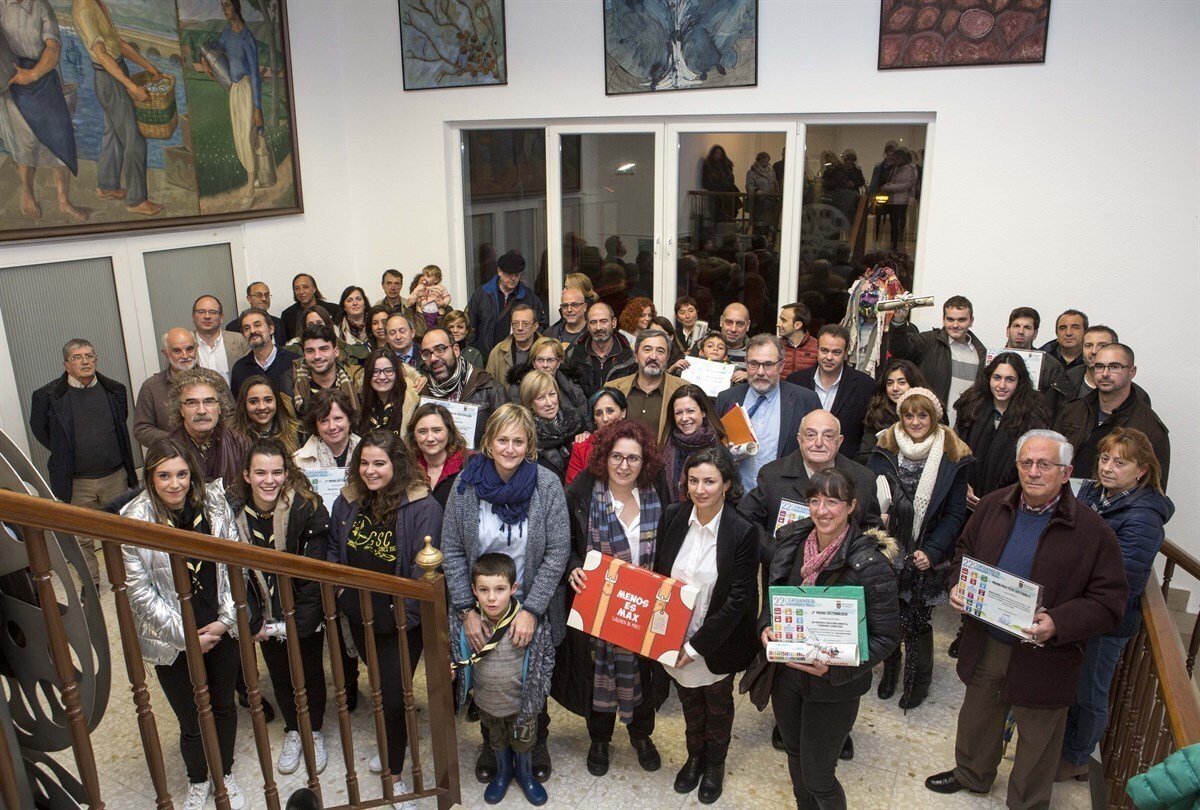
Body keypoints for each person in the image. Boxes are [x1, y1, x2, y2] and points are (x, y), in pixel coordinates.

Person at [926, 430, 1128, 808]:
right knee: (978, 716)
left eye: (1044, 464)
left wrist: (1058, 623)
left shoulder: (1093, 532)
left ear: (1066, 472)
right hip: (988, 639)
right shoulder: (992, 505)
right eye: (1026, 463)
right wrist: (957, 584)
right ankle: (972, 774)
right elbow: (964, 552)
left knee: (1038, 738)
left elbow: (1109, 603)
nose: (1033, 472)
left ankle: (1027, 802)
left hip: (1045, 653)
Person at [442, 404, 570, 785]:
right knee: (489, 677)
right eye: (502, 440)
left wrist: (532, 610)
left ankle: (536, 739)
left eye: (518, 441)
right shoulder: (466, 485)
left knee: (532, 675)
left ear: (529, 444)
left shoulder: (547, 485)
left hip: (531, 602)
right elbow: (451, 548)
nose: (510, 449)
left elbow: (557, 551)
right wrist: (466, 609)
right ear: (488, 442)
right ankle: (491, 741)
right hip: (481, 604)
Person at [764, 468, 900, 809]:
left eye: (832, 502)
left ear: (851, 506)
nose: (822, 510)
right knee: (795, 757)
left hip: (835, 686)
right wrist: (765, 625)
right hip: (788, 676)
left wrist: (835, 669)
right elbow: (774, 595)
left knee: (819, 777)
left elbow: (887, 636)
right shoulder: (793, 542)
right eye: (814, 501)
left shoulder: (870, 563)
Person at [121, 438, 246, 809]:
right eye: (164, 476)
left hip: (218, 627)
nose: (174, 484)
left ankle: (224, 772)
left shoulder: (214, 503)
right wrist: (186, 637)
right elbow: (139, 593)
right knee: (190, 718)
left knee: (223, 706)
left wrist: (225, 620)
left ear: (192, 475)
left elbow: (235, 564)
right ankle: (198, 779)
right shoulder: (133, 519)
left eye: (182, 474)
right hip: (171, 636)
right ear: (150, 477)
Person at [326, 430, 442, 797]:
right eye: (364, 463)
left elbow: (424, 573)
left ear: (398, 464)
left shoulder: (424, 506)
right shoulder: (347, 500)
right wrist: (342, 594)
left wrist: (399, 615)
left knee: (394, 696)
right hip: (359, 615)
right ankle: (394, 745)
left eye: (379, 463)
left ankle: (394, 777)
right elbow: (334, 552)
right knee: (380, 687)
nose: (370, 471)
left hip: (400, 622)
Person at [1058, 428, 1174, 782]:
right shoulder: (1094, 493)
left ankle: (1077, 759)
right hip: (1079, 607)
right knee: (1071, 685)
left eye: (1120, 463)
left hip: (1108, 621)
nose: (1107, 468)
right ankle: (1063, 747)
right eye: (1105, 459)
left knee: (1089, 693)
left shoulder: (1143, 516)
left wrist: (1068, 569)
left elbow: (1119, 576)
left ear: (1142, 471)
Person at [557, 419, 670, 777]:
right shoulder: (583, 491)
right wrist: (573, 566)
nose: (624, 465)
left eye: (633, 458)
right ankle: (600, 739)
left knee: (643, 673)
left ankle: (641, 735)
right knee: (597, 672)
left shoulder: (656, 490)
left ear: (644, 462)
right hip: (599, 606)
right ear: (604, 457)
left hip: (644, 605)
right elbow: (563, 542)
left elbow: (670, 543)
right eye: (617, 457)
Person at [654, 447, 759, 803]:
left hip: (716, 640)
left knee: (717, 706)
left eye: (710, 482)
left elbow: (738, 600)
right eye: (694, 480)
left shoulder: (742, 531)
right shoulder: (673, 516)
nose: (700, 490)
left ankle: (715, 765)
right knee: (688, 701)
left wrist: (695, 646)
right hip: (674, 637)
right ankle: (694, 758)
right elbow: (660, 576)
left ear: (727, 484)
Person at [867, 388, 973, 710]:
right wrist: (879, 520)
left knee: (917, 621)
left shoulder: (954, 456)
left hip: (927, 553)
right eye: (909, 415)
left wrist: (932, 551)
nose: (915, 422)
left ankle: (918, 681)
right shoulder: (884, 447)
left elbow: (955, 513)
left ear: (934, 417)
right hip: (889, 550)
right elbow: (870, 498)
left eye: (922, 415)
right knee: (887, 616)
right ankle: (891, 669)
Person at [231, 438, 331, 776]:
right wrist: (252, 620)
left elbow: (314, 573)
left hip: (303, 610)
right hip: (265, 612)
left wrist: (301, 624)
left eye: (276, 472)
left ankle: (313, 730)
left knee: (310, 670)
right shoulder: (233, 516)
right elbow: (235, 574)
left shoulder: (308, 508)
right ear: (247, 475)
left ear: (287, 474)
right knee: (279, 672)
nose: (269, 480)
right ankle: (293, 729)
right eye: (260, 472)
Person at [30, 338, 137, 587]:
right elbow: (41, 430)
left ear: (96, 359)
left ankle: (124, 582)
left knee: (120, 533)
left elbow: (120, 423)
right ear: (66, 364)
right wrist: (66, 451)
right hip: (76, 482)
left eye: (89, 355)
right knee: (82, 539)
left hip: (115, 477)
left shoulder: (115, 390)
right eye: (77, 357)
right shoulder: (47, 396)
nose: (85, 361)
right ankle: (91, 585)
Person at [454, 553, 552, 806]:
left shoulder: (528, 624)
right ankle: (503, 773)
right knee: (496, 740)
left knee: (524, 743)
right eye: (484, 590)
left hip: (521, 707)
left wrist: (540, 691)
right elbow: (455, 653)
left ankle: (525, 776)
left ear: (513, 588)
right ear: (473, 590)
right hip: (487, 704)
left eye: (499, 589)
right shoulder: (469, 626)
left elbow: (546, 659)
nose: (491, 598)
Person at [70, 0, 163, 216]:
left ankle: (107, 185)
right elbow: (103, 56)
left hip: (114, 73)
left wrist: (148, 66)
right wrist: (132, 86)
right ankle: (136, 200)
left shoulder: (97, 4)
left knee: (112, 133)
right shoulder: (84, 8)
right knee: (134, 137)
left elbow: (117, 43)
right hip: (109, 77)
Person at [1, 0, 87, 222]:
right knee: (26, 143)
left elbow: (53, 48)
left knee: (61, 140)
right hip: (14, 79)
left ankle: (64, 200)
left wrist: (33, 74)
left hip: (43, 77)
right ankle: (28, 193)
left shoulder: (41, 6)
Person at [716, 334, 821, 494]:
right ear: (746, 363)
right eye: (754, 364)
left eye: (768, 365)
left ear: (781, 365)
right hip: (736, 497)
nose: (760, 372)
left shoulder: (805, 400)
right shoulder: (726, 399)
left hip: (784, 497)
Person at [1056, 343, 1171, 487]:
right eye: (1099, 366)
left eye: (1114, 367)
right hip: (1070, 498)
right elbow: (1053, 458)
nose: (1105, 373)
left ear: (1132, 372)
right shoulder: (1074, 410)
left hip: (1118, 501)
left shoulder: (1149, 426)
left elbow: (1154, 488)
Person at [954, 352, 1052, 507]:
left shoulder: (1033, 415)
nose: (1002, 385)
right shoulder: (970, 406)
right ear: (989, 378)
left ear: (1020, 382)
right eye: (997, 377)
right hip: (965, 499)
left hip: (1009, 502)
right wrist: (961, 483)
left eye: (1010, 379)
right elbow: (955, 450)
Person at [200, 0, 264, 204]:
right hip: (234, 90)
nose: (224, 10)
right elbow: (213, 46)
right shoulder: (227, 34)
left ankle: (250, 189)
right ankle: (256, 175)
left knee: (246, 136)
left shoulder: (247, 38)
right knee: (239, 135)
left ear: (236, 6)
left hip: (246, 88)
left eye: (227, 5)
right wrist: (203, 59)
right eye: (222, 6)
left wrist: (258, 107)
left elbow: (255, 74)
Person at [889, 295, 986, 427]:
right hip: (930, 426)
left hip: (965, 429)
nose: (955, 325)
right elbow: (899, 349)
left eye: (961, 320)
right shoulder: (929, 342)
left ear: (971, 320)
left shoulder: (981, 353)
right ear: (943, 319)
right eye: (950, 319)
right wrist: (899, 321)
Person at [788, 324, 875, 460]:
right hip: (801, 463)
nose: (829, 357)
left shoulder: (865, 386)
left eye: (836, 352)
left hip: (845, 466)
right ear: (817, 349)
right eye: (824, 350)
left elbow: (868, 432)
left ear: (846, 353)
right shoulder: (795, 381)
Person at [419, 327, 508, 448]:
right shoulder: (422, 391)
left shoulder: (489, 388)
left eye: (440, 349)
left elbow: (506, 439)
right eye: (426, 354)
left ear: (456, 350)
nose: (433, 358)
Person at [168, 367, 248, 486]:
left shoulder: (239, 442)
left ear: (220, 407)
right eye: (192, 403)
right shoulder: (166, 448)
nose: (201, 411)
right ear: (181, 409)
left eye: (209, 401)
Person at [467, 250, 549, 360]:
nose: (513, 278)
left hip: (518, 358)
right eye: (509, 275)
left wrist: (527, 345)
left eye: (517, 275)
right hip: (485, 358)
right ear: (499, 271)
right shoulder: (482, 294)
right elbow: (469, 326)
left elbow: (541, 325)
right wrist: (472, 356)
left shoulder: (530, 297)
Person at [607, 329, 686, 441]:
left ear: (667, 358)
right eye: (647, 350)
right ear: (635, 356)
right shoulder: (613, 388)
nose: (653, 356)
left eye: (660, 351)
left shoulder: (682, 389)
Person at [661, 384, 727, 502]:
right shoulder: (666, 446)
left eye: (690, 411)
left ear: (703, 412)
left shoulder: (719, 449)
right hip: (669, 512)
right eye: (678, 413)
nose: (684, 418)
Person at [135, 328, 200, 448]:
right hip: (171, 455)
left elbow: (230, 416)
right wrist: (177, 441)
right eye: (177, 351)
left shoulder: (214, 379)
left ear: (197, 348)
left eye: (190, 349)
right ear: (165, 353)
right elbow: (142, 429)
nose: (185, 355)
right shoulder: (151, 387)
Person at [1002, 307, 1072, 414]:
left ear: (1035, 334)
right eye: (1016, 326)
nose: (1020, 332)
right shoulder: (991, 360)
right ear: (1007, 331)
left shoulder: (1050, 366)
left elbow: (1059, 406)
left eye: (1027, 328)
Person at [857, 358, 927, 462]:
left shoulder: (931, 410)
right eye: (889, 383)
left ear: (913, 384)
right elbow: (863, 456)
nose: (895, 388)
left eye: (901, 382)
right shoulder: (877, 413)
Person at [290, 324, 363, 420]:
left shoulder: (356, 379)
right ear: (304, 354)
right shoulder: (291, 382)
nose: (317, 356)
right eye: (310, 351)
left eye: (323, 349)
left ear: (336, 352)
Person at [406, 401, 471, 509]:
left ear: (449, 432)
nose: (430, 438)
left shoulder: (469, 464)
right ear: (414, 436)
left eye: (437, 430)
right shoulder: (407, 468)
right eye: (422, 432)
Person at [519, 369, 581, 482]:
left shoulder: (575, 420)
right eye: (541, 398)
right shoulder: (526, 434)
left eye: (552, 394)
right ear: (530, 403)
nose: (549, 403)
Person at [566, 302, 635, 396]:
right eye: (593, 322)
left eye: (603, 321)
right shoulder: (573, 355)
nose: (598, 328)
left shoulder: (630, 357)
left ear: (614, 323)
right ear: (588, 326)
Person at [505, 335, 585, 412]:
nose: (545, 365)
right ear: (533, 363)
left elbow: (584, 419)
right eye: (540, 360)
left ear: (558, 362)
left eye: (550, 360)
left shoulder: (573, 390)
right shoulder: (518, 390)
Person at [232, 307, 298, 397]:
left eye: (257, 325)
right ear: (243, 335)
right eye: (247, 328)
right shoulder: (239, 368)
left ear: (271, 329)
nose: (252, 331)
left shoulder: (294, 362)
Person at [566, 388, 627, 485]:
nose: (605, 418)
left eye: (610, 411)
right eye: (598, 413)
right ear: (594, 419)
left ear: (623, 412)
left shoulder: (638, 443)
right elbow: (572, 489)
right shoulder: (582, 448)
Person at [357, 347, 418, 439]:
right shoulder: (360, 403)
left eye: (388, 371)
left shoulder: (411, 402)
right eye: (375, 371)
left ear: (397, 373)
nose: (382, 377)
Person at [293, 389, 359, 470]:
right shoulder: (297, 462)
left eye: (337, 418)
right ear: (315, 425)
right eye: (324, 421)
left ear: (349, 420)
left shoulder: (370, 452)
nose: (332, 427)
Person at [234, 374, 300, 454]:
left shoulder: (298, 432)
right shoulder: (232, 438)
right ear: (243, 405)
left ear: (277, 401)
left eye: (268, 400)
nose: (262, 407)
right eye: (253, 401)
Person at [486, 303, 541, 386]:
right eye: (515, 323)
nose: (520, 328)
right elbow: (489, 386)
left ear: (535, 326)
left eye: (525, 324)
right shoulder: (498, 352)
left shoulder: (547, 350)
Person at [1064, 324, 1119, 401]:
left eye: (1102, 346)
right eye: (1088, 346)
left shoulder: (1131, 392)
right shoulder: (1065, 382)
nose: (1094, 351)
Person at [281, 274, 340, 342]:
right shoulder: (287, 314)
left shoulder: (334, 310)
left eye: (305, 287)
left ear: (314, 289)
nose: (301, 292)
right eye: (297, 288)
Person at [880, 147, 917, 249]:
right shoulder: (897, 168)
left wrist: (889, 187)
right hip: (894, 200)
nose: (895, 161)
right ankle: (893, 244)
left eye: (897, 158)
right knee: (893, 223)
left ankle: (897, 245)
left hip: (902, 200)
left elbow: (906, 185)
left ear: (902, 158)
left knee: (898, 223)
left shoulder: (909, 169)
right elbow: (895, 181)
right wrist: (887, 186)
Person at [227, 282, 285, 346]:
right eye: (259, 295)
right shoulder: (233, 327)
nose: (264, 299)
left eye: (266, 295)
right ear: (249, 299)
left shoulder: (278, 323)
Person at [405, 264, 452, 332]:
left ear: (436, 280)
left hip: (436, 312)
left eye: (428, 276)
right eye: (424, 275)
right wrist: (411, 300)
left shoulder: (440, 288)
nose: (425, 278)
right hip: (424, 312)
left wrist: (443, 303)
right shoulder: (420, 287)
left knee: (435, 326)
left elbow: (447, 297)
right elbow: (413, 294)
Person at [778, 302, 818, 378]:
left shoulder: (817, 347)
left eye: (783, 320)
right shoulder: (775, 346)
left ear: (798, 325)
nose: (778, 324)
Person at [701, 144, 739, 223]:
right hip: (717, 192)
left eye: (720, 154)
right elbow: (707, 181)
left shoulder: (726, 166)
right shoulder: (708, 166)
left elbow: (731, 179)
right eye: (716, 153)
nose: (718, 155)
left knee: (729, 209)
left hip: (727, 191)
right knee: (720, 213)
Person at [334, 286, 372, 363]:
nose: (355, 303)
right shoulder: (336, 330)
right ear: (344, 307)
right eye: (349, 300)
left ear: (365, 303)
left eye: (358, 299)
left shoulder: (375, 325)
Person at [745, 150, 780, 235]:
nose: (765, 164)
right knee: (759, 227)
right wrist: (756, 190)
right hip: (758, 203)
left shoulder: (772, 172)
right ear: (758, 161)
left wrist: (777, 194)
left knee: (769, 227)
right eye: (763, 161)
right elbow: (749, 185)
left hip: (771, 203)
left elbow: (775, 184)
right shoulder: (752, 172)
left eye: (767, 161)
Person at [718, 303, 752, 373]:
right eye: (728, 322)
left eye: (740, 324)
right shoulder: (704, 347)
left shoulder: (756, 353)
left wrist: (749, 376)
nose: (733, 329)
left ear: (748, 325)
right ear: (721, 321)